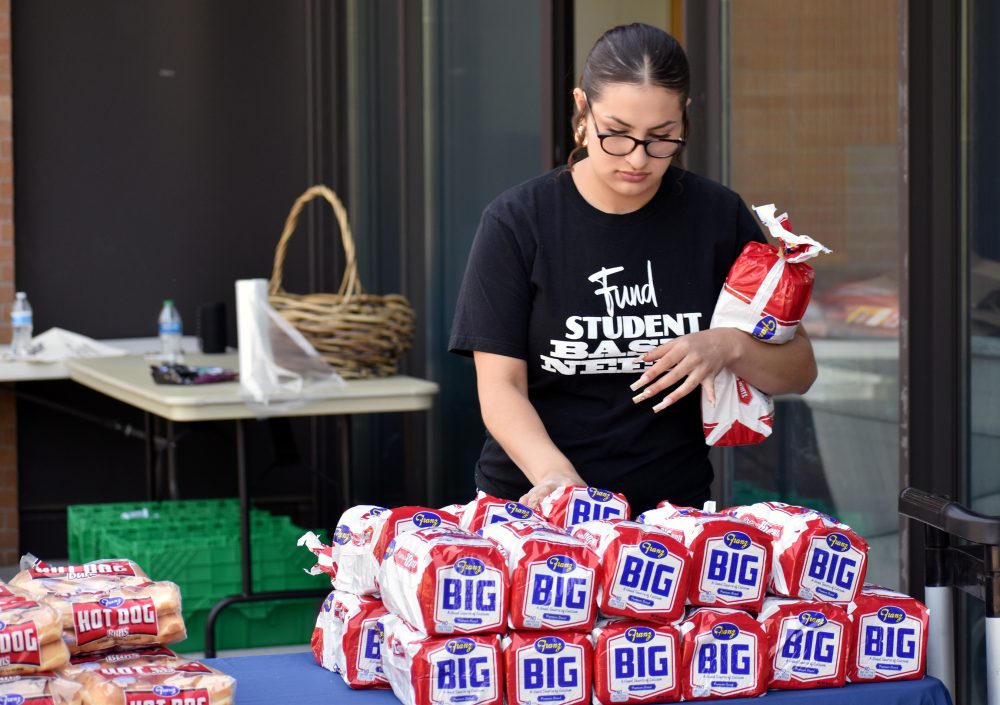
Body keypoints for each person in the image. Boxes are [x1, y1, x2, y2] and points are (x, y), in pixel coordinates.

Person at [448, 23, 817, 516]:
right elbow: (500, 386)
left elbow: (799, 370)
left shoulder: (716, 216)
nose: (638, 160)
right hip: (536, 510)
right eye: (617, 135)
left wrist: (727, 346)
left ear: (683, 119)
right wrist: (556, 478)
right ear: (582, 109)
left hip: (670, 517)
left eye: (662, 138)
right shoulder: (519, 222)